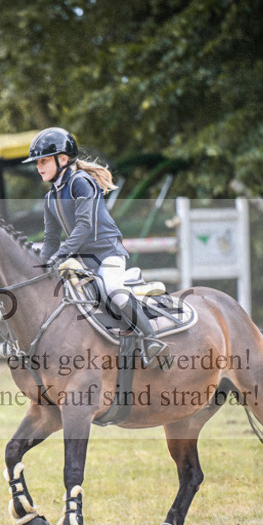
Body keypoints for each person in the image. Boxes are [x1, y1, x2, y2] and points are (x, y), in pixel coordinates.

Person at [22, 127, 167, 364]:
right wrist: (39, 266)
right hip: (83, 260)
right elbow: (50, 240)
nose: (39, 167)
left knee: (113, 289)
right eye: (37, 162)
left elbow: (84, 226)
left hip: (108, 253)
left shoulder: (81, 183)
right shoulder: (50, 198)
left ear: (63, 159)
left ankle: (151, 339)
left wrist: (61, 255)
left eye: (43, 161)